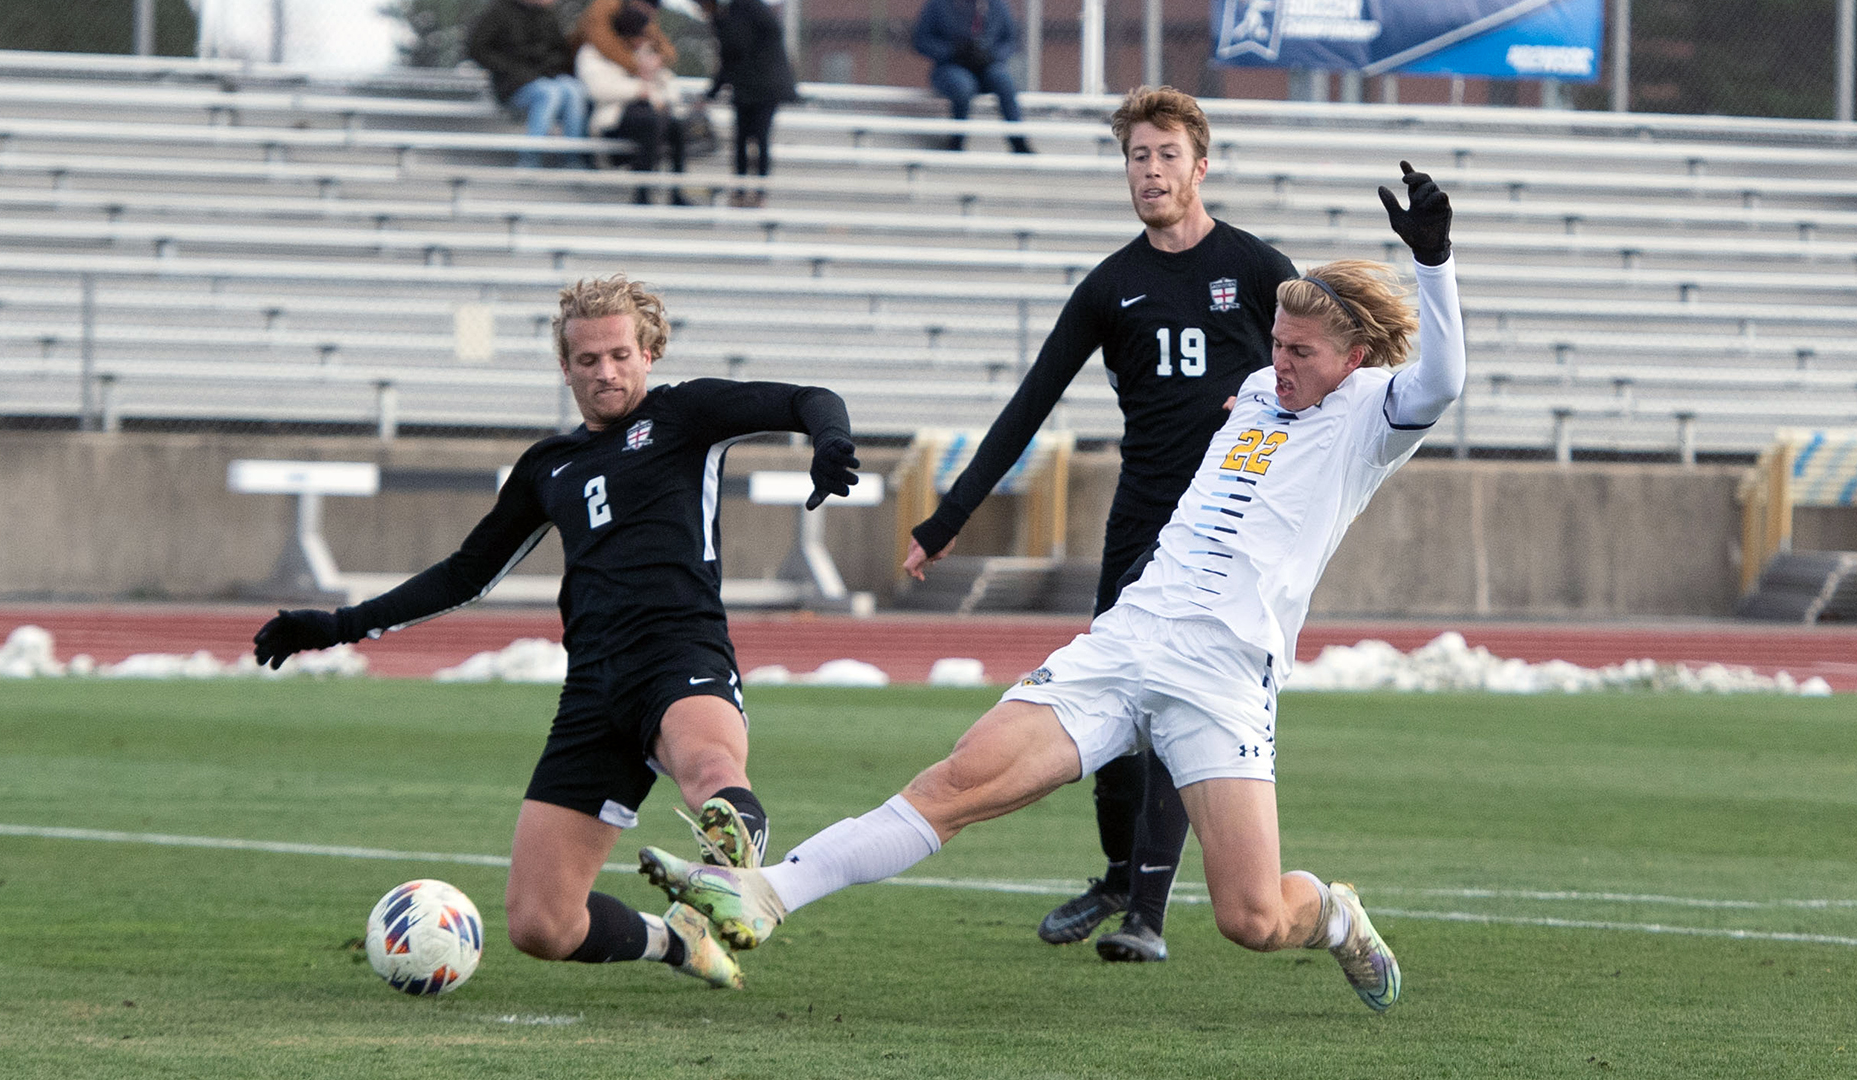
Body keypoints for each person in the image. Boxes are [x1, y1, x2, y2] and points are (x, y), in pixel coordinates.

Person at [638, 161, 1461, 1013]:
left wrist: (1434, 262)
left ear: (1355, 358)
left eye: (1300, 352)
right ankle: (768, 894)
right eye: (1277, 343)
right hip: (1129, 640)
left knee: (1252, 918)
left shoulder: (1372, 413)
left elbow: (1443, 381)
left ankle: (1333, 914)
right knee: (958, 783)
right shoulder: (1257, 388)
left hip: (1223, 674)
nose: (1278, 361)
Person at [251, 275, 861, 991]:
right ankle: (680, 942)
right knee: (540, 924)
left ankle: (737, 875)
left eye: (620, 355)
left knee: (711, 777)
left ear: (650, 352)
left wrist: (831, 441)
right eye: (587, 360)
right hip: (592, 691)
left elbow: (806, 400)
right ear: (564, 367)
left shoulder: (685, 415)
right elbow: (464, 574)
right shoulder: (549, 467)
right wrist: (338, 625)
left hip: (680, 654)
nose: (606, 371)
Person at [905, 86, 1296, 964]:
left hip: (1233, 535)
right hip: (1142, 526)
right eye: (1135, 156)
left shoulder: (1261, 268)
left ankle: (1146, 915)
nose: (1150, 171)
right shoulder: (1111, 286)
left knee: (1176, 705)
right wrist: (948, 516)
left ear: (1202, 164)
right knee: (1113, 717)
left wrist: (1278, 398)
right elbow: (1029, 404)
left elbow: (1328, 359)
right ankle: (1123, 873)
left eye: (1166, 155)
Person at [578, 0, 693, 204]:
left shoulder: (642, 53)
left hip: (647, 117)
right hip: (613, 119)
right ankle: (642, 193)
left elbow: (669, 88)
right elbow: (600, 89)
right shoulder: (593, 53)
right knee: (651, 122)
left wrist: (651, 75)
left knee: (675, 125)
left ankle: (676, 193)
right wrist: (641, 89)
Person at [467, 0, 590, 169]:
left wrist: (553, 67)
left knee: (575, 90)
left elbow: (559, 51)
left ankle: (573, 158)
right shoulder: (499, 12)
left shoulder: (546, 16)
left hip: (547, 77)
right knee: (549, 93)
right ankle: (530, 159)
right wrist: (510, 69)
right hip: (513, 83)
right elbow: (477, 48)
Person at [700, 0, 798, 208]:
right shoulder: (749, 10)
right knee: (753, 139)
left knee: (752, 139)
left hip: (759, 87)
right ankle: (749, 191)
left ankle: (749, 192)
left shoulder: (737, 13)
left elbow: (731, 54)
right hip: (757, 87)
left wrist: (711, 94)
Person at [912, 0, 1032, 153]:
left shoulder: (997, 5)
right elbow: (921, 40)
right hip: (951, 66)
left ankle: (1018, 140)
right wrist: (953, 51)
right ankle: (957, 139)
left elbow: (1009, 40)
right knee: (962, 85)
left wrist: (991, 56)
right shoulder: (939, 5)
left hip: (987, 66)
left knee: (1004, 81)